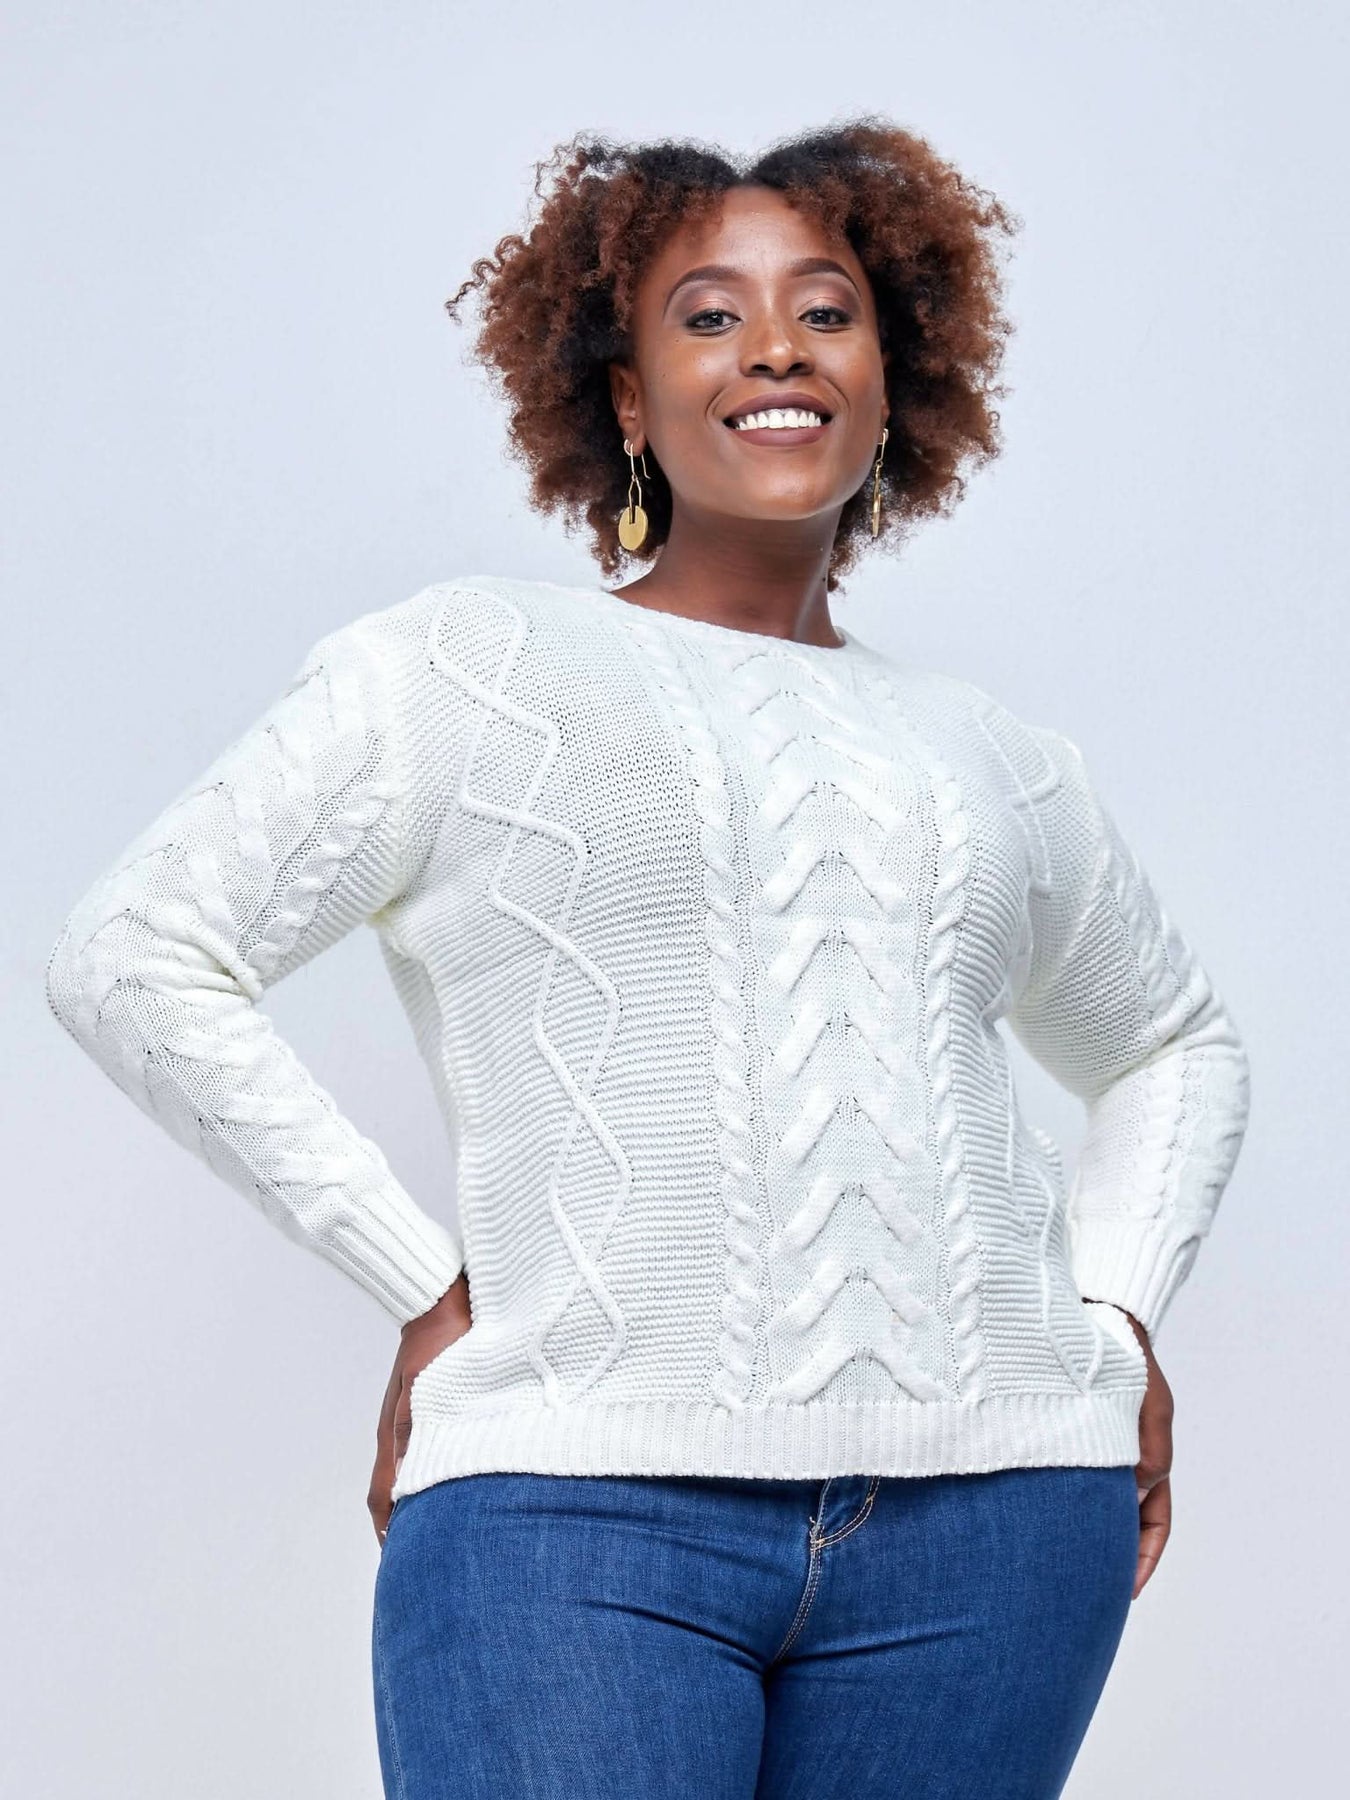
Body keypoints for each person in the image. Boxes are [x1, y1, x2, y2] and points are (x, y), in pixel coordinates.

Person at [45, 118, 1252, 1800]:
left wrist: (1110, 1315)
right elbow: (137, 952)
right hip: (576, 1510)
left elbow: (1174, 1041)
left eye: (825, 312)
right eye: (708, 315)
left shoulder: (992, 753)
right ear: (625, 399)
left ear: (892, 383)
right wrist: (421, 1281)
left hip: (1001, 1523)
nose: (775, 347)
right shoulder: (463, 668)